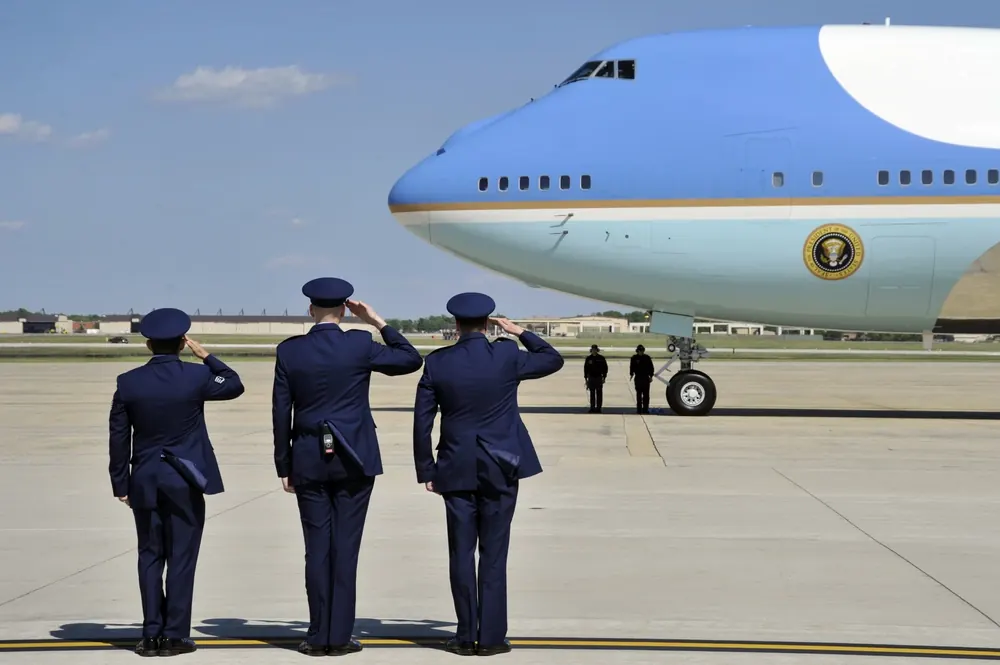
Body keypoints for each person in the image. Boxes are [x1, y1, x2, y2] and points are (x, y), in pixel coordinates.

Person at [272, 277, 423, 656]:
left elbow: (280, 412)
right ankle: (339, 635)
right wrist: (376, 321)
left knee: (316, 548)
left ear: (310, 310)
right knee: (346, 548)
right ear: (344, 310)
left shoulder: (290, 351)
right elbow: (410, 359)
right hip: (354, 456)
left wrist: (283, 463)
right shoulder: (359, 343)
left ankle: (317, 633)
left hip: (307, 456)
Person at [412, 293, 564, 656]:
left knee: (461, 554)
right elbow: (552, 359)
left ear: (455, 325)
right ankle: (492, 638)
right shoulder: (507, 354)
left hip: (456, 466)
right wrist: (519, 331)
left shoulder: (438, 363)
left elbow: (422, 421)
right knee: (494, 554)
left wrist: (426, 470)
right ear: (488, 323)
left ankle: (466, 636)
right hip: (501, 465)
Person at [108, 308, 245, 657]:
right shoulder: (195, 377)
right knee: (182, 557)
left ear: (148, 344)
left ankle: (150, 634)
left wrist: (120, 482)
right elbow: (233, 384)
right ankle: (175, 635)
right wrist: (207, 356)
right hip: (184, 478)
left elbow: (119, 438)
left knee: (150, 556)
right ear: (183, 343)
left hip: (145, 478)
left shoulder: (128, 382)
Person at [629, 344, 655, 414]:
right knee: (639, 395)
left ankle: (645, 409)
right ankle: (639, 409)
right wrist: (631, 374)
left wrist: (651, 376)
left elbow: (651, 367)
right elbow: (631, 367)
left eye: (642, 350)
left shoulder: (647, 358)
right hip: (638, 378)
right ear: (637, 351)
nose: (641, 352)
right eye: (640, 350)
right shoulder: (634, 358)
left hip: (645, 378)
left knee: (646, 395)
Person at [583, 344, 608, 413]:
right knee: (592, 393)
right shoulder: (588, 359)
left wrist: (604, 377)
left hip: (599, 377)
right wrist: (586, 379)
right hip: (591, 377)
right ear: (591, 350)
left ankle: (599, 408)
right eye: (593, 349)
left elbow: (605, 368)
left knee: (599, 393)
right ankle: (592, 407)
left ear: (597, 350)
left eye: (595, 349)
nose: (594, 351)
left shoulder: (601, 358)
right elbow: (586, 369)